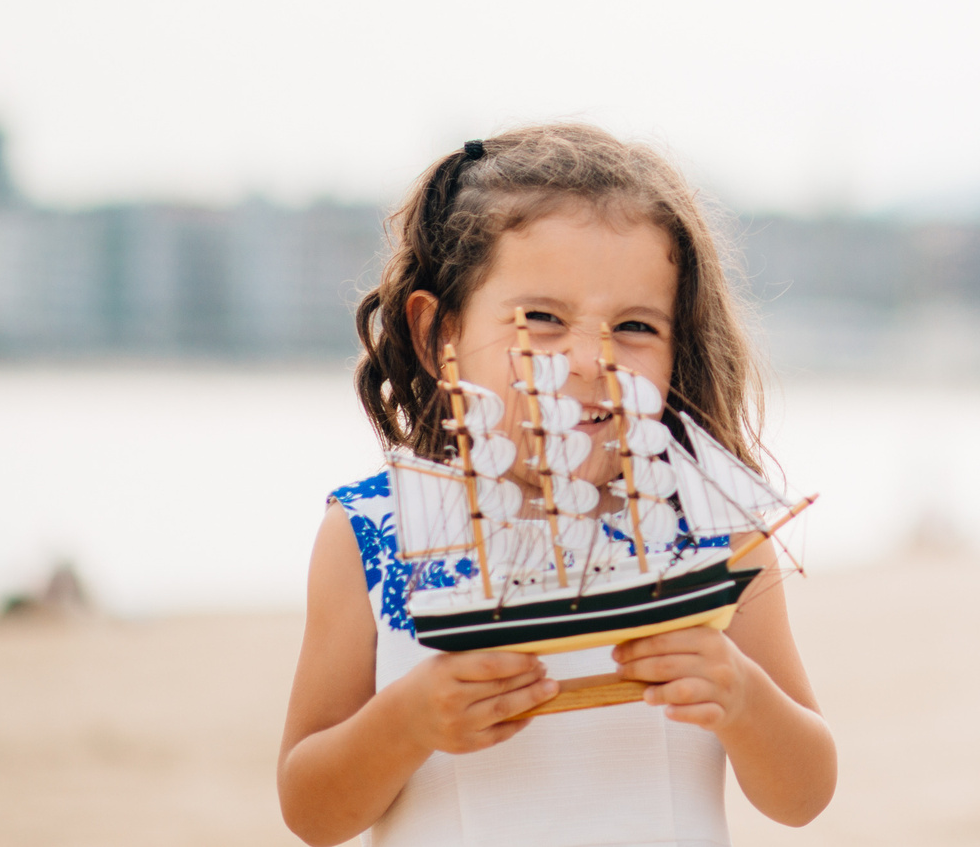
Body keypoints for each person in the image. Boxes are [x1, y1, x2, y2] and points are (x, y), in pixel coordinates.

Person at [278, 125, 835, 847]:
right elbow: (310, 811)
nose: (585, 357)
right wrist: (408, 720)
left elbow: (804, 794)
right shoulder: (375, 531)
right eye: (541, 318)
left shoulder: (714, 531)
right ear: (436, 331)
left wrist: (742, 695)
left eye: (634, 325)